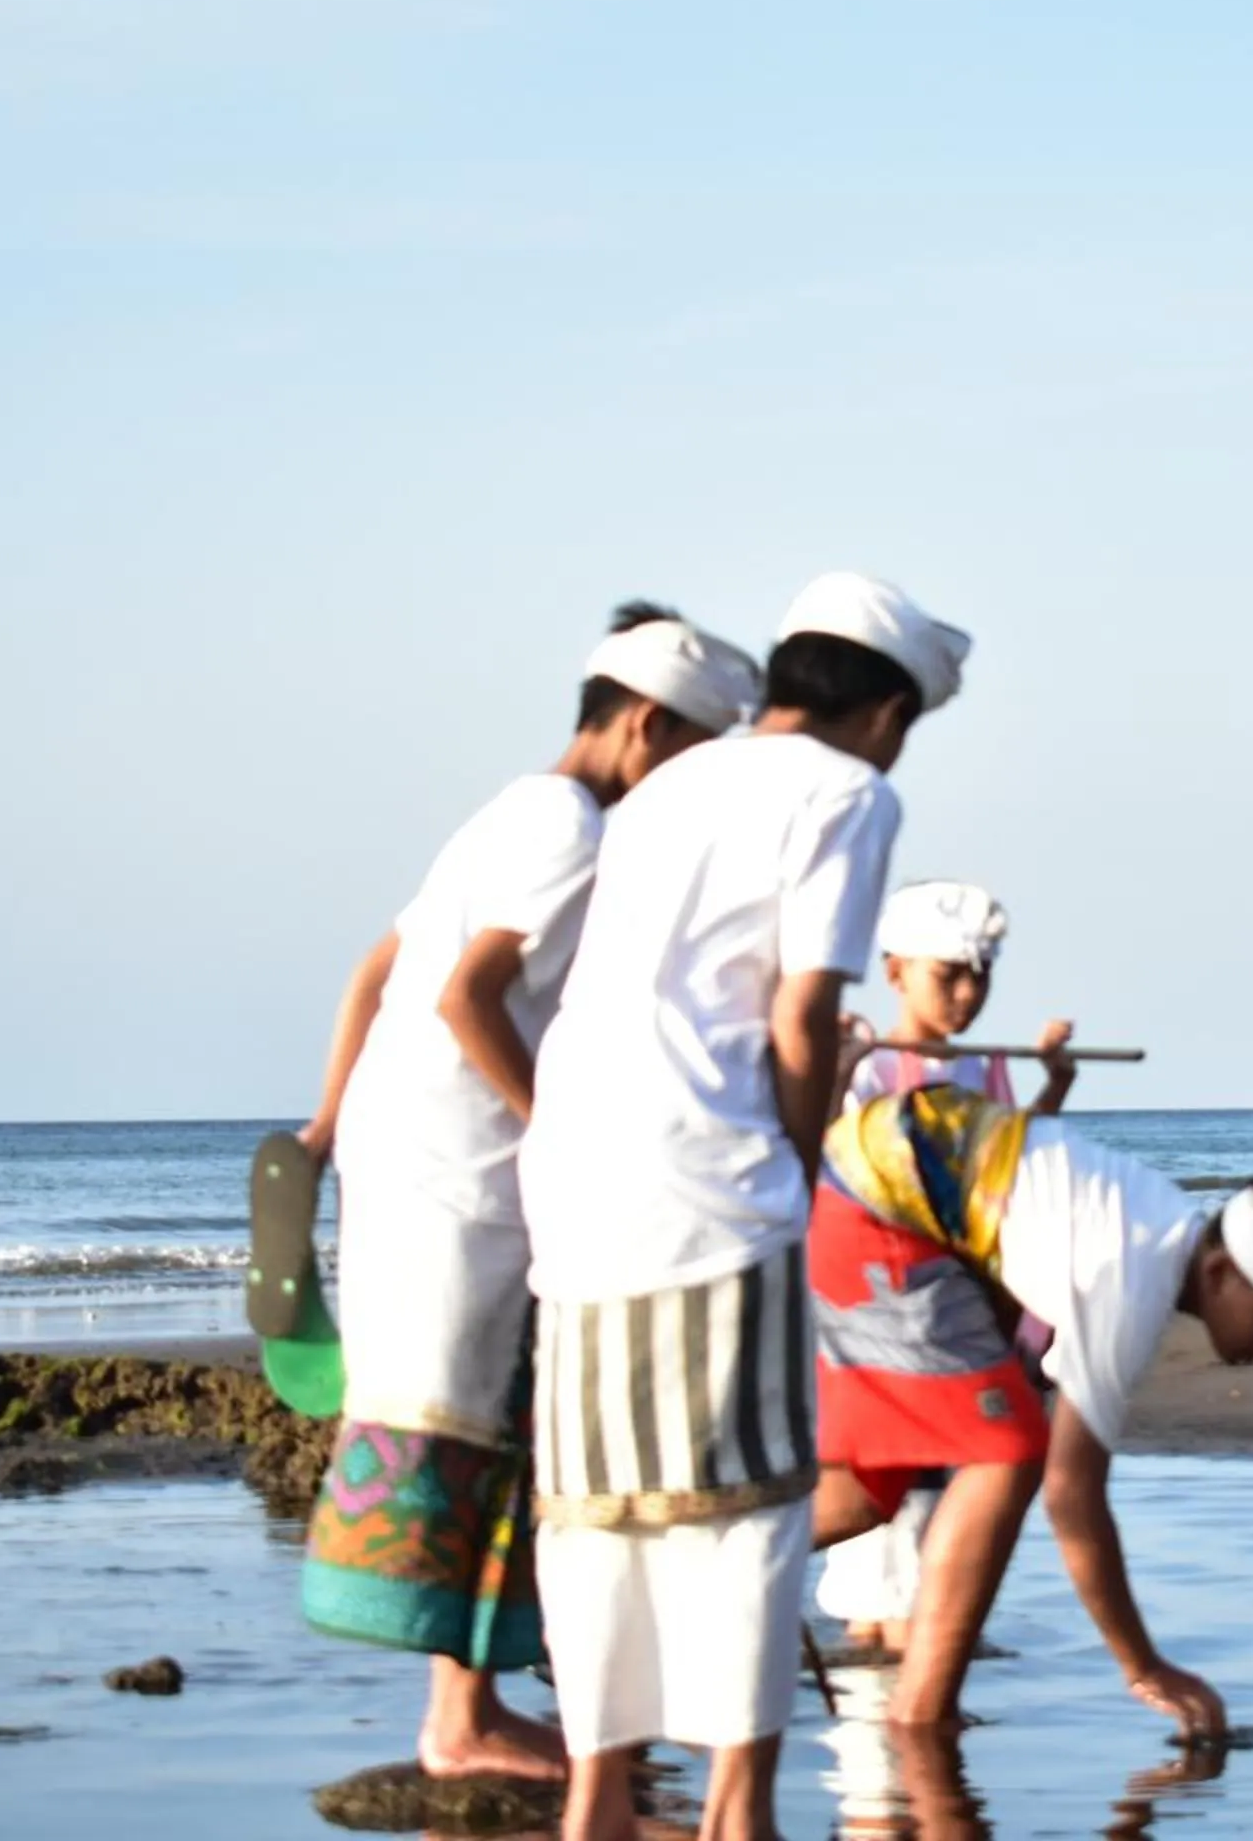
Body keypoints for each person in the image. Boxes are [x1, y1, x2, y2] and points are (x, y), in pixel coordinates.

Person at [518, 571, 970, 1841]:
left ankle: (597, 1801)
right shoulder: (849, 792)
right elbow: (802, 1012)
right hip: (711, 1176)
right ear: (888, 711)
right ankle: (740, 1807)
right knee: (752, 1503)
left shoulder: (671, 782)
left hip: (576, 1167)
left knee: (596, 1502)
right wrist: (802, 1163)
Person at [287, 605, 762, 1781]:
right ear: (645, 723)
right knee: (485, 1415)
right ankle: (462, 1719)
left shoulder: (507, 807)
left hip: (403, 1149)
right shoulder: (572, 828)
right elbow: (468, 993)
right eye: (691, 753)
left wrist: (329, 1119)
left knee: (478, 1405)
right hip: (467, 1163)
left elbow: (377, 969)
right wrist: (562, 1129)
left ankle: (485, 1697)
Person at [809, 1082, 1253, 1738]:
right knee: (1010, 1453)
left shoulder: (1153, 1231)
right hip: (876, 1199)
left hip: (871, 1188)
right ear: (1220, 1273)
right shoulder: (1138, 1277)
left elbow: (1011, 1244)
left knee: (869, 1493)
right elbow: (1071, 1494)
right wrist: (1143, 1666)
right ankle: (923, 1715)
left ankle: (712, 1562)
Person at [817, 878, 1078, 1656]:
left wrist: (1055, 1086)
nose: (967, 993)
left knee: (931, 1494)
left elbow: (1010, 1167)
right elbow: (827, 1165)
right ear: (895, 972)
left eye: (980, 976)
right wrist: (836, 1071)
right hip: (879, 1313)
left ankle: (894, 1677)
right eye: (949, 975)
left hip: (961, 1308)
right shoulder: (868, 1070)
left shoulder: (983, 1071)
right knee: (888, 1500)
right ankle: (898, 1685)